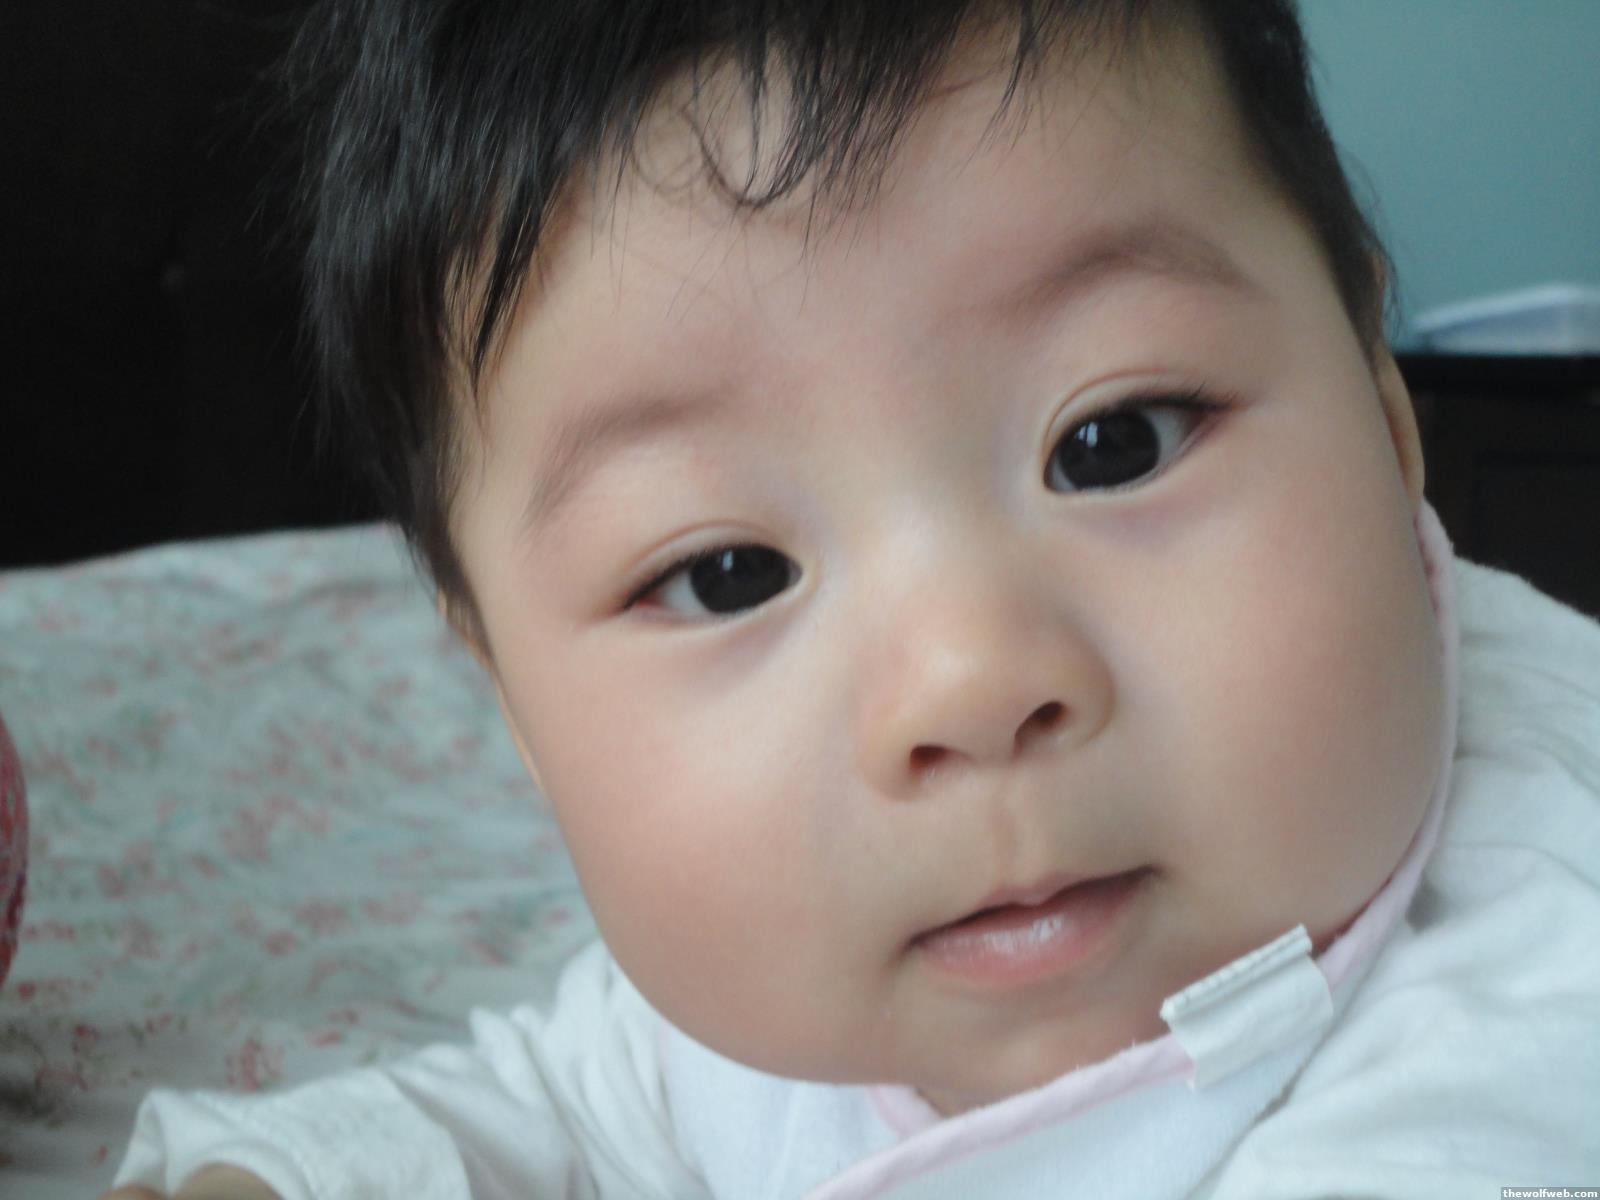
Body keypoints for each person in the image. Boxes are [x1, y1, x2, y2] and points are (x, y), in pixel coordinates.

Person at [104, 0, 1600, 1196]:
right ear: (512, 704)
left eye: (1115, 441)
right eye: (726, 574)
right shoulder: (774, 977)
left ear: (1384, 415)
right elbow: (548, 1109)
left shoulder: (1535, 1000)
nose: (970, 679)